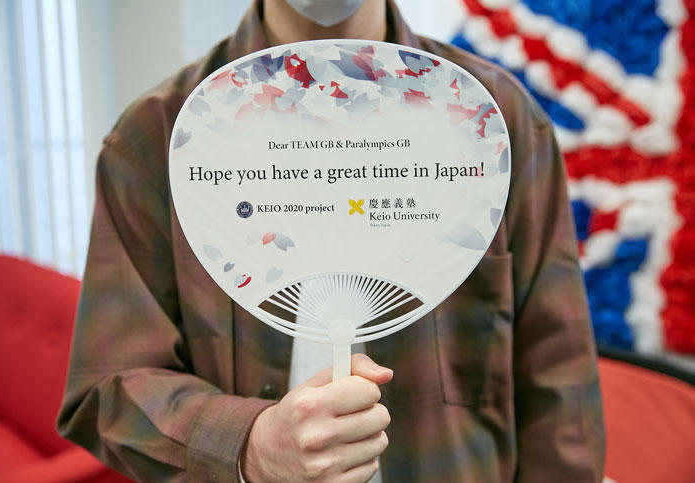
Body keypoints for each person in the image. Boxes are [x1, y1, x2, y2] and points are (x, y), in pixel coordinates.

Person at [57, 0, 605, 481]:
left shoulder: (495, 124)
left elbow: (560, 387)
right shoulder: (160, 138)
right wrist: (250, 447)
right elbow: (108, 389)